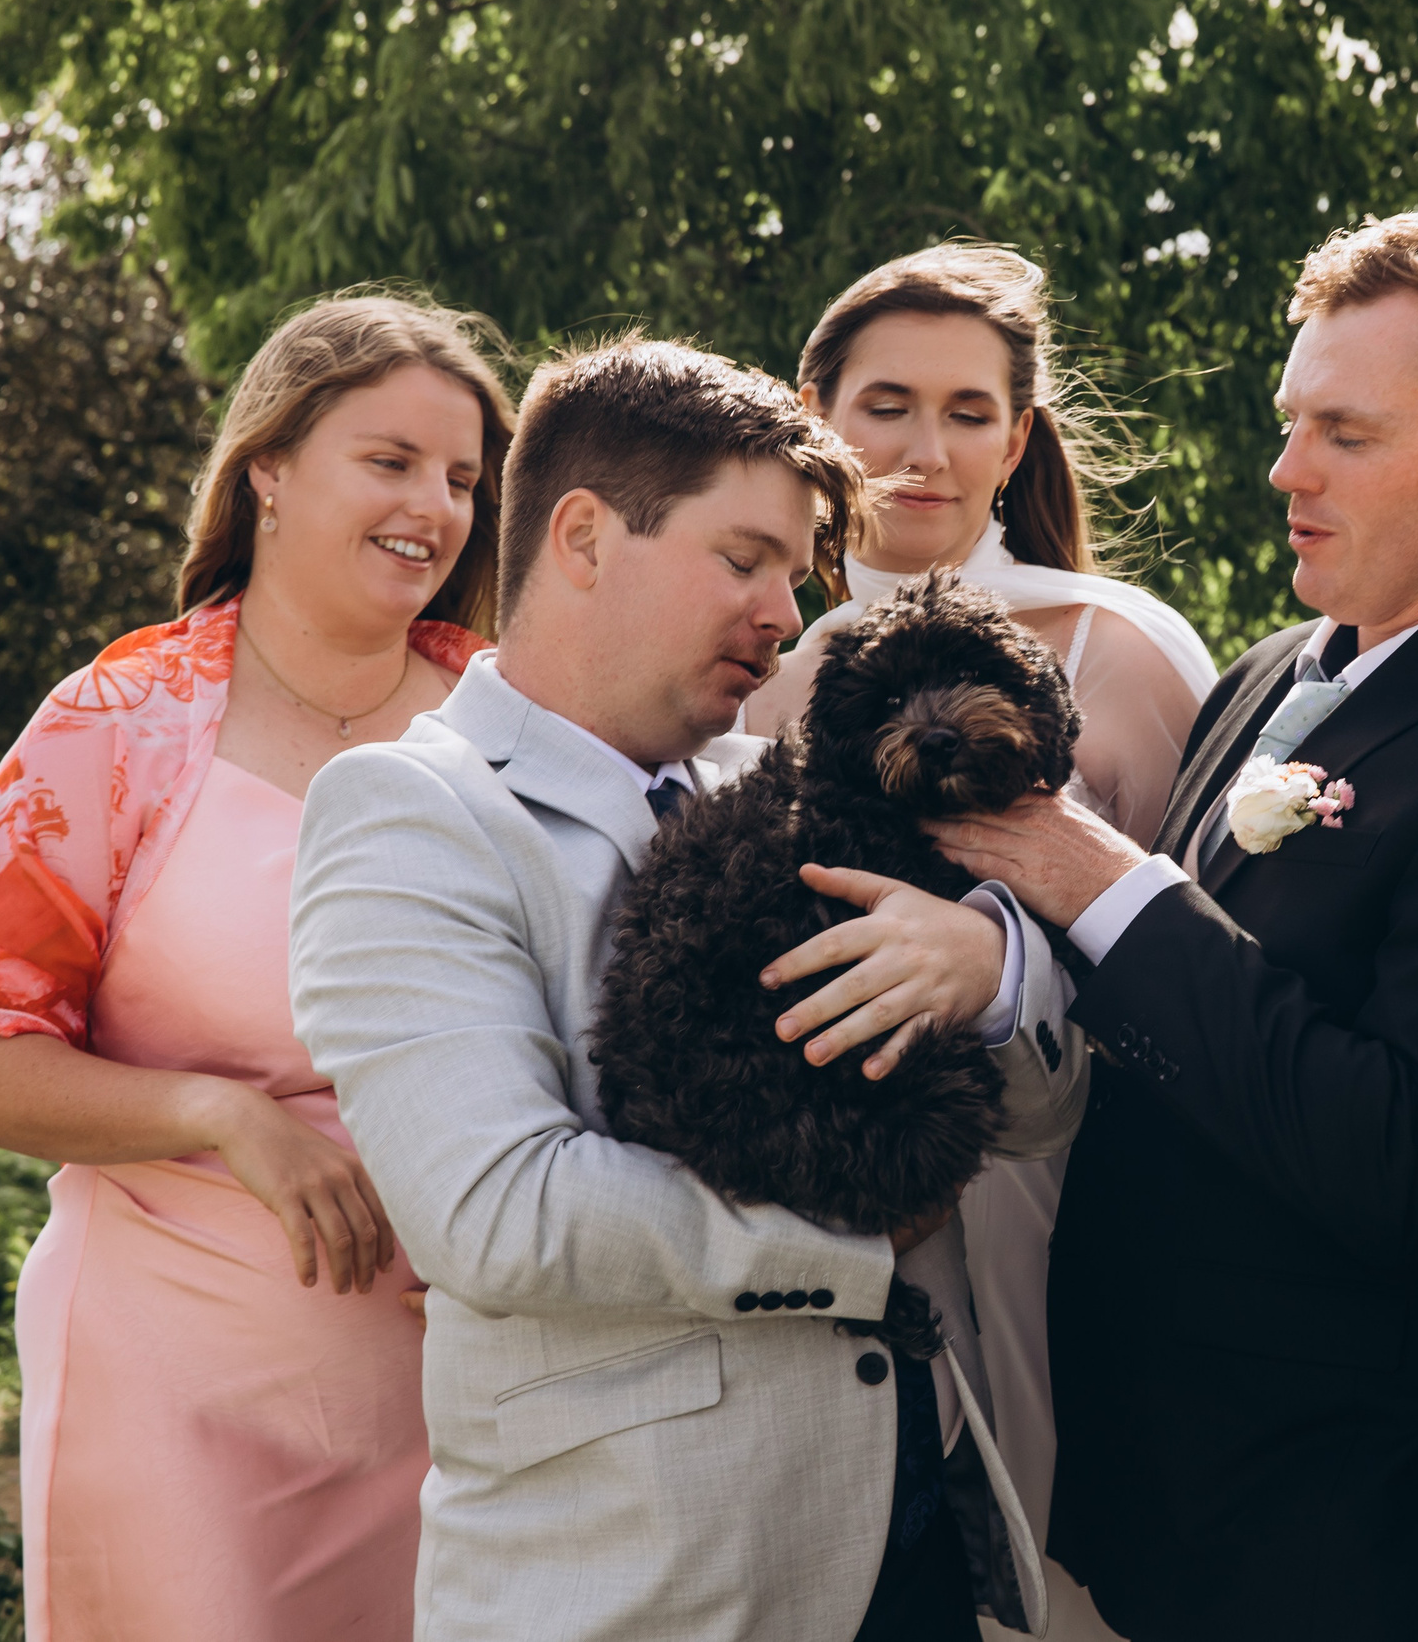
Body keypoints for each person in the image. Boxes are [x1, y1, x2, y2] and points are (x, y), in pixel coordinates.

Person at [286, 335, 1085, 1642]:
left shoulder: (788, 792)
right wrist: (849, 1242)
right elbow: (498, 1206)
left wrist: (991, 969)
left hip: (918, 1526)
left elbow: (1038, 1113)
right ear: (587, 536)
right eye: (744, 558)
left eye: (798, 568)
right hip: (644, 1585)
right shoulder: (410, 811)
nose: (787, 612)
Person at [913, 209, 1418, 1639]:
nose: (1287, 468)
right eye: (1292, 419)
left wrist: (1098, 878)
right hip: (1164, 1496)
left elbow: (1407, 1155)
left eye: (1347, 433)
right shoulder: (1271, 670)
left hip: (1350, 1531)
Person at [0, 294, 515, 1641]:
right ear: (269, 465)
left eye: (464, 477)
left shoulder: (510, 720)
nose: (434, 504)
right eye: (390, 460)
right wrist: (219, 1111)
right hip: (173, 1381)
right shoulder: (111, 727)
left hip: (466, 1391)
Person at [745, 244, 1213, 1642]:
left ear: (1017, 438)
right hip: (814, 1209)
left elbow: (1201, 952)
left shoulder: (1121, 647)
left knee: (1068, 1569)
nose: (924, 448)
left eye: (967, 411)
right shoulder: (758, 657)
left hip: (1068, 1189)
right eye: (886, 403)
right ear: (815, 409)